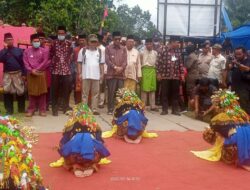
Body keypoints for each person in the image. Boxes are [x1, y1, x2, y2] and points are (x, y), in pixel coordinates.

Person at [191, 90, 250, 171]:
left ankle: (236, 157)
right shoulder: (242, 112)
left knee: (209, 132)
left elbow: (219, 130)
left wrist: (210, 129)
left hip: (238, 139)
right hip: (247, 135)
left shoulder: (222, 116)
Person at [50, 103, 111, 177]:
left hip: (75, 155)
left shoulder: (71, 125)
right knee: (96, 147)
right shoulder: (93, 125)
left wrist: (61, 148)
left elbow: (64, 141)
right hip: (89, 155)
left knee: (69, 149)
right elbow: (100, 142)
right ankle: (88, 165)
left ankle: (77, 166)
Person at [156, 35, 185, 116]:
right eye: (177, 42)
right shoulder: (163, 50)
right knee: (164, 93)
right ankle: (164, 109)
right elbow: (158, 62)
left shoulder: (178, 51)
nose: (178, 44)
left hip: (175, 76)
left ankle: (175, 110)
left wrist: (182, 74)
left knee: (175, 93)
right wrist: (158, 73)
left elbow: (180, 63)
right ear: (172, 42)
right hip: (165, 75)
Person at [77, 34, 104, 115]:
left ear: (97, 42)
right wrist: (80, 73)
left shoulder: (99, 51)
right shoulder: (83, 50)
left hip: (96, 75)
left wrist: (102, 74)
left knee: (95, 93)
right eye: (92, 42)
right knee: (85, 93)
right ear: (88, 42)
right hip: (86, 75)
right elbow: (79, 62)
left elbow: (101, 64)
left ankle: (94, 109)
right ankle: (84, 109)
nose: (93, 43)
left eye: (95, 42)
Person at [23, 34, 49, 117]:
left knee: (42, 92)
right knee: (31, 92)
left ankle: (42, 110)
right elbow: (25, 62)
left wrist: (37, 69)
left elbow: (45, 61)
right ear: (31, 42)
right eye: (35, 41)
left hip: (41, 73)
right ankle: (31, 110)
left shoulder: (44, 51)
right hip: (31, 74)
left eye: (38, 41)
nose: (37, 42)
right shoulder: (27, 51)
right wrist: (31, 70)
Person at [0, 33, 26, 115]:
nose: (10, 41)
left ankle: (21, 109)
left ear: (13, 40)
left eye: (11, 39)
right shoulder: (2, 51)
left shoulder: (19, 50)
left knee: (21, 91)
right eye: (8, 40)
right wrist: (5, 49)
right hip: (7, 74)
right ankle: (9, 110)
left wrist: (24, 74)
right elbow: (1, 59)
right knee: (7, 92)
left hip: (18, 73)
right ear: (4, 41)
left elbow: (23, 63)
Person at [50, 26, 73, 116]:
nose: (60, 35)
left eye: (62, 33)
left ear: (65, 34)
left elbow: (71, 54)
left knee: (66, 90)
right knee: (55, 90)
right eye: (59, 33)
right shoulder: (53, 43)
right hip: (55, 70)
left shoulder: (69, 44)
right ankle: (54, 109)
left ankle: (65, 107)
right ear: (57, 34)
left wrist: (67, 62)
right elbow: (50, 54)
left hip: (66, 70)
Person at [105, 31, 127, 115]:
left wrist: (121, 68)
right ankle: (110, 109)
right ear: (113, 39)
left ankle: (120, 109)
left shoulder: (123, 48)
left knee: (120, 93)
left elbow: (125, 61)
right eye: (116, 39)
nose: (118, 40)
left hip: (121, 75)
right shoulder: (108, 48)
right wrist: (115, 67)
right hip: (111, 74)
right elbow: (107, 60)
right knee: (111, 92)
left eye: (119, 39)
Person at [229, 47, 250, 114]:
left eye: (239, 54)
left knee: (244, 107)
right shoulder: (236, 60)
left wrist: (237, 64)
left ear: (244, 53)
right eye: (236, 54)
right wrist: (231, 62)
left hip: (244, 89)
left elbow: (247, 69)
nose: (237, 56)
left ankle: (247, 123)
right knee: (234, 106)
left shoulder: (248, 61)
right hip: (234, 87)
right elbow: (229, 68)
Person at [140, 38, 158, 111]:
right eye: (147, 44)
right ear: (145, 44)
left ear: (152, 44)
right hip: (145, 70)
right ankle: (142, 105)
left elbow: (156, 63)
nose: (149, 45)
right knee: (144, 89)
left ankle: (152, 105)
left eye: (150, 44)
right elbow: (140, 63)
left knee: (152, 89)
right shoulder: (141, 53)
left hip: (153, 71)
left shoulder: (155, 53)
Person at [74, 34, 87, 104]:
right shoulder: (76, 50)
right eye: (80, 40)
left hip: (87, 72)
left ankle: (86, 105)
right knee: (78, 89)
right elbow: (74, 60)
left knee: (86, 89)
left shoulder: (89, 50)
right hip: (78, 72)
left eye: (83, 40)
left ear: (86, 40)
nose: (81, 42)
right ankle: (78, 104)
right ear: (78, 41)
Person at [97, 34, 107, 108]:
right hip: (94, 70)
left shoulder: (103, 49)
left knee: (102, 87)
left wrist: (104, 72)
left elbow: (105, 61)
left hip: (102, 70)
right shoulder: (93, 48)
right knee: (95, 87)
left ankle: (101, 102)